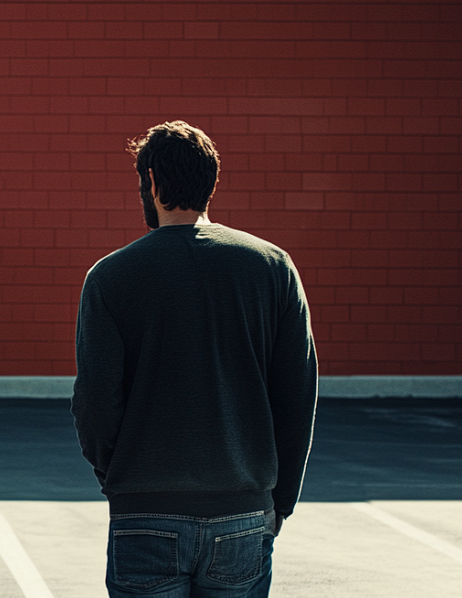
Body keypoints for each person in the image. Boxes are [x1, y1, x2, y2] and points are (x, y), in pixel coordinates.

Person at [71, 121, 318, 597]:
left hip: (144, 510)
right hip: (243, 511)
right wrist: (278, 502)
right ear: (211, 183)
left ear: (154, 184)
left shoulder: (110, 277)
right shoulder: (273, 267)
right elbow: (296, 400)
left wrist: (122, 481)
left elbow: (96, 405)